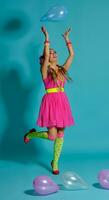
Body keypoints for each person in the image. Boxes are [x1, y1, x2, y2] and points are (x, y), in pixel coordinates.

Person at [24, 26, 75, 175]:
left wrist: (67, 40)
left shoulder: (62, 70)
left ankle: (55, 163)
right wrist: (47, 37)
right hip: (51, 101)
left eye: (54, 52)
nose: (53, 54)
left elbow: (72, 55)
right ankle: (31, 134)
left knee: (61, 133)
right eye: (50, 53)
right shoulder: (45, 70)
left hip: (62, 101)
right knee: (52, 136)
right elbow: (46, 57)